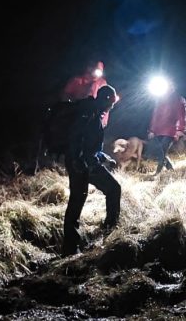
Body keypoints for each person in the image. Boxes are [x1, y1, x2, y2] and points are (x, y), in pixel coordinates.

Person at [62, 85, 120, 256]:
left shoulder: (93, 113)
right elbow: (76, 139)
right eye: (112, 102)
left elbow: (91, 146)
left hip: (86, 163)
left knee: (112, 189)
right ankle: (71, 248)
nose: (113, 106)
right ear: (106, 99)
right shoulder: (87, 113)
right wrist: (79, 162)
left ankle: (108, 230)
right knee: (77, 201)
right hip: (79, 164)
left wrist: (104, 158)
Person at [148, 82, 186, 175]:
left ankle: (158, 173)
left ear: (173, 88)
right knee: (159, 152)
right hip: (158, 130)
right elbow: (155, 115)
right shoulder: (160, 99)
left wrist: (180, 129)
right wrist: (152, 130)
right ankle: (171, 170)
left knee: (162, 151)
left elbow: (182, 115)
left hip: (171, 130)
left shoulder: (179, 99)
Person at [61, 60, 111, 127]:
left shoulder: (102, 83)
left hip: (93, 116)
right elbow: (66, 95)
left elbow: (106, 100)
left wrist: (103, 121)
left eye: (99, 69)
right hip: (76, 113)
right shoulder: (77, 80)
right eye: (94, 68)